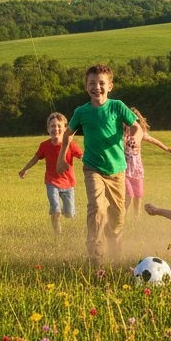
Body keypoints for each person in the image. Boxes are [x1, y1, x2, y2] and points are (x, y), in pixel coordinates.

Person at [58, 64, 138, 267]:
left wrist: (135, 139)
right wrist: (61, 158)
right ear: (86, 86)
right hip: (93, 168)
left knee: (117, 217)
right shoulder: (81, 112)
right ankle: (95, 255)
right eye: (92, 83)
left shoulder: (117, 106)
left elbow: (137, 127)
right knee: (97, 207)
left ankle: (115, 255)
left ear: (110, 86)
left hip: (117, 171)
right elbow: (68, 134)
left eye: (101, 83)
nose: (97, 87)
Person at [18, 113, 81, 235]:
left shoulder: (70, 144)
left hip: (68, 183)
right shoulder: (44, 145)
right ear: (48, 129)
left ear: (65, 129)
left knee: (69, 213)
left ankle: (63, 211)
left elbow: (82, 156)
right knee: (55, 208)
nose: (55, 129)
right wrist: (25, 169)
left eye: (59, 126)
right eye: (52, 126)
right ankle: (58, 234)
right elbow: (35, 158)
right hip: (51, 182)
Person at [123, 108, 171, 217]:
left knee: (138, 196)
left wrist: (166, 148)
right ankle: (123, 217)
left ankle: (136, 218)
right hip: (124, 170)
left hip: (137, 169)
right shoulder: (121, 134)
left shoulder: (140, 133)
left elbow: (154, 140)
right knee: (128, 194)